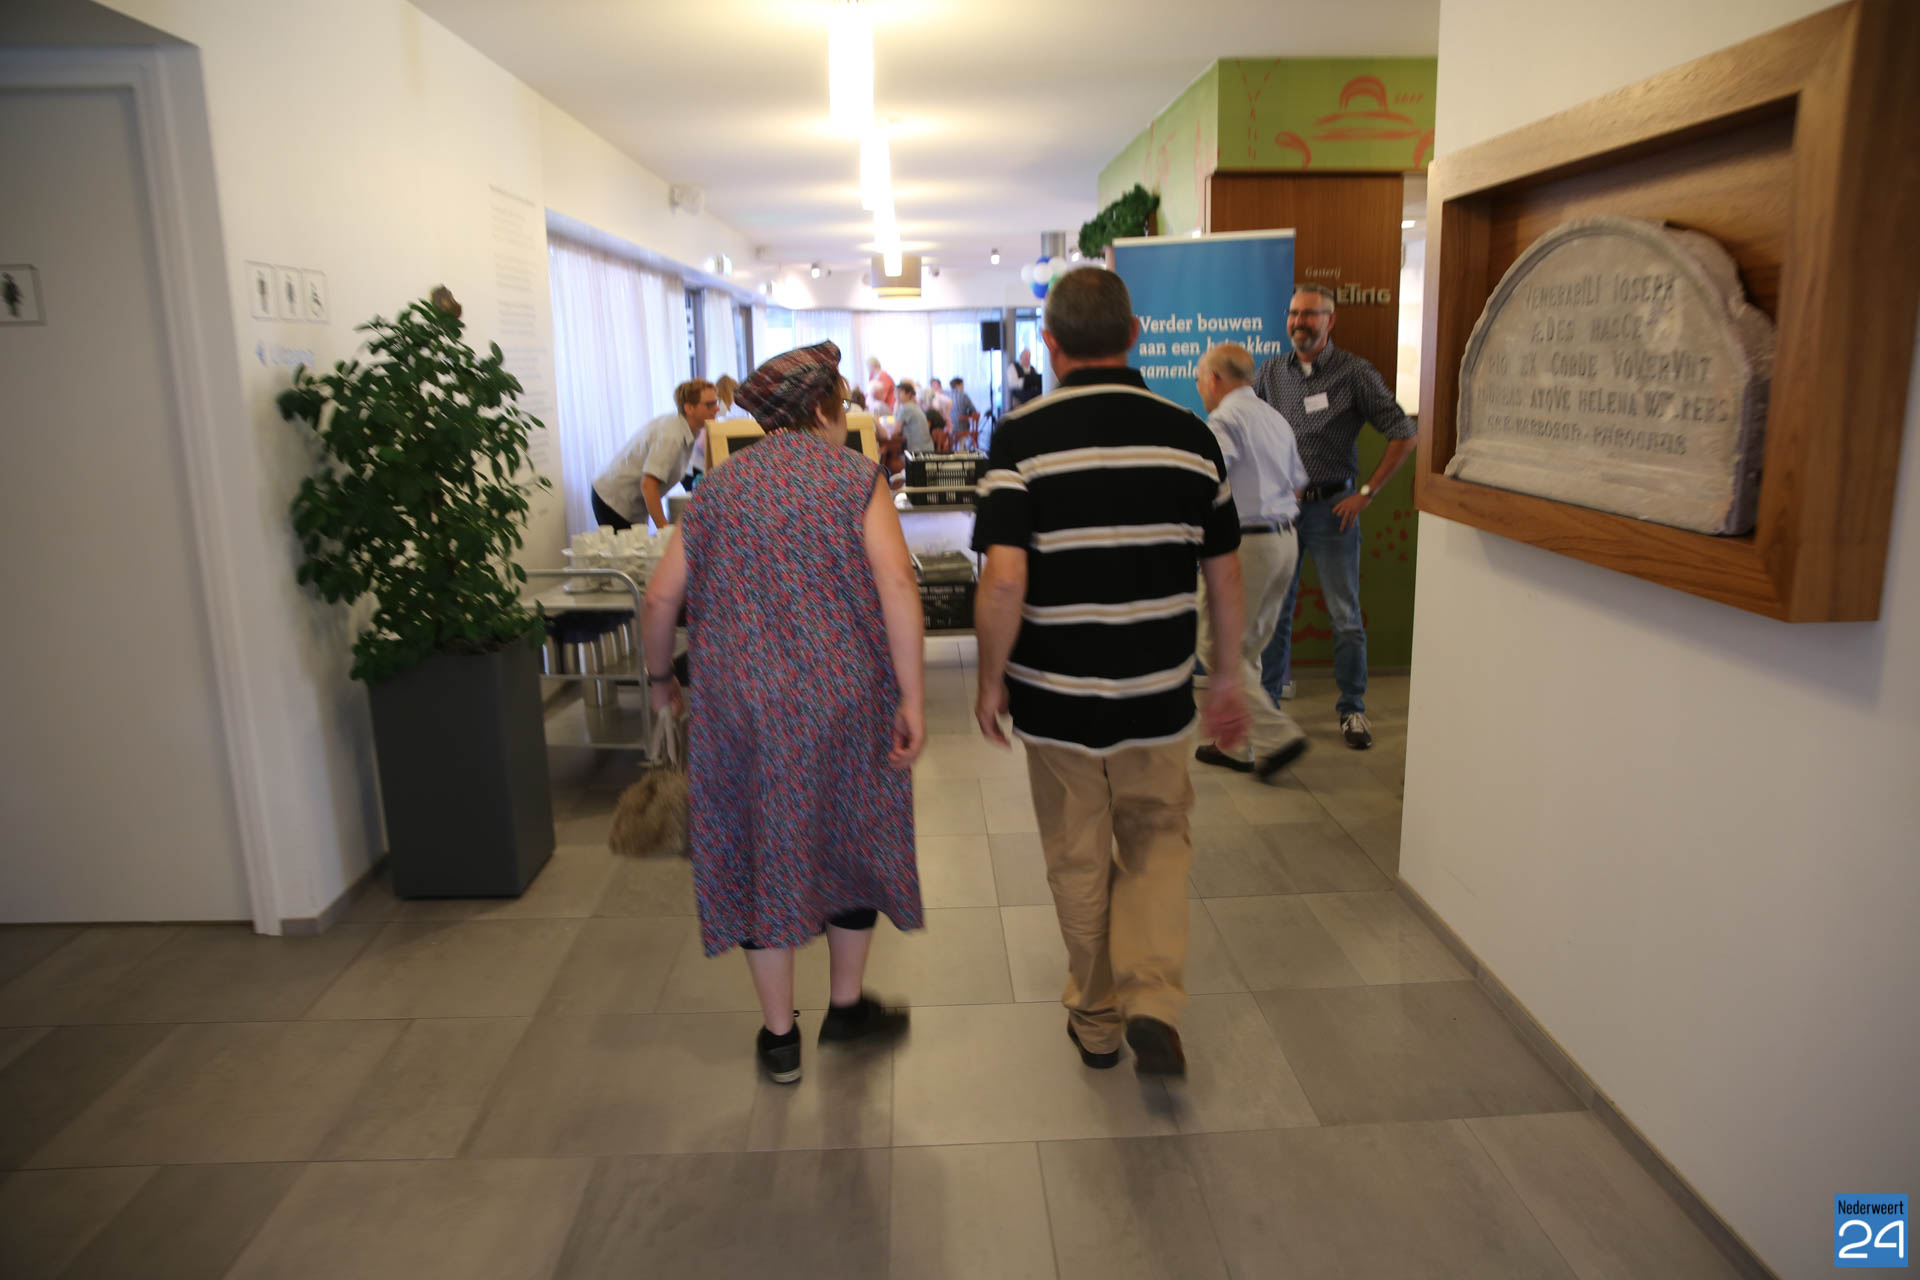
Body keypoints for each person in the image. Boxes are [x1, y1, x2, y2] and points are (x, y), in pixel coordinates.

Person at [971, 267, 1251, 1079]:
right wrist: (1226, 678)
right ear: (1133, 336)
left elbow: (1005, 580)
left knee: (1078, 856)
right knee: (1158, 843)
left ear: (1049, 343)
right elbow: (1225, 574)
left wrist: (990, 682)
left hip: (1056, 700)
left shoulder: (1018, 437)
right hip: (1156, 695)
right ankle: (1152, 998)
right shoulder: (1191, 436)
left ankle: (1096, 1021)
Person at [640, 340, 926, 1085]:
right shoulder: (856, 480)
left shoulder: (717, 491)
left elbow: (660, 600)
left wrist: (661, 683)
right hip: (846, 704)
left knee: (756, 851)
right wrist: (913, 696)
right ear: (826, 408)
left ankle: (778, 1037)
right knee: (852, 842)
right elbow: (898, 586)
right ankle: (846, 1007)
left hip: (741, 712)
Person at [1253, 284, 1417, 750]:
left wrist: (1367, 493)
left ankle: (1352, 709)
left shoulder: (1354, 373)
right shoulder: (1271, 372)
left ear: (1331, 320)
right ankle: (1267, 708)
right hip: (1283, 512)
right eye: (1293, 313)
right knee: (1275, 613)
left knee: (1344, 615)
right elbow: (1253, 428)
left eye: (1309, 314)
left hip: (1333, 511)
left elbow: (1403, 433)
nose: (1298, 322)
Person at [1191, 343, 1311, 780]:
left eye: (1199, 378)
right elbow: (1298, 482)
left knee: (1214, 643)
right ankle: (1239, 745)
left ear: (1215, 379)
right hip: (1284, 540)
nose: (1199, 387)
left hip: (1248, 545)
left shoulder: (1225, 420)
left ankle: (1278, 736)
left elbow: (1209, 477)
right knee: (1247, 647)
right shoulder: (1274, 418)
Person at [592, 380, 721, 530]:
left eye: (716, 402)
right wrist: (664, 530)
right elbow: (648, 485)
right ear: (689, 408)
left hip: (628, 500)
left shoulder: (690, 429)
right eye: (710, 404)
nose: (717, 408)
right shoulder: (671, 435)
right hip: (613, 499)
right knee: (635, 544)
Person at [894, 380, 935, 454]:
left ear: (909, 394)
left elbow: (894, 432)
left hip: (916, 452)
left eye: (899, 392)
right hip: (928, 449)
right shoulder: (915, 406)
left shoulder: (906, 407)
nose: (896, 395)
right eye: (895, 393)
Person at [947, 376, 979, 448]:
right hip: (961, 426)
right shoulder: (964, 396)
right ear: (958, 385)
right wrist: (968, 414)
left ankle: (956, 447)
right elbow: (973, 410)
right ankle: (962, 448)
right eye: (962, 385)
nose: (963, 387)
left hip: (949, 426)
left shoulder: (947, 395)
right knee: (964, 423)